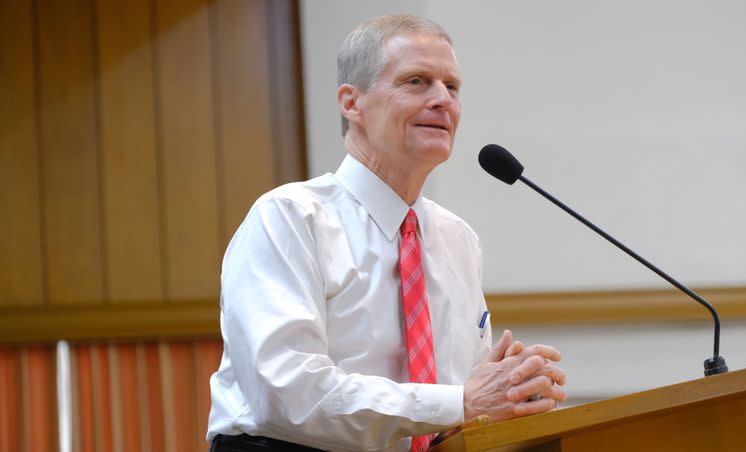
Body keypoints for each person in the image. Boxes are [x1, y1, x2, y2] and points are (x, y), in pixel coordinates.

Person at [206, 15, 567, 452]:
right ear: (351, 103)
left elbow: (458, 409)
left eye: (452, 87)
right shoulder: (289, 218)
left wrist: (508, 393)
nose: (442, 100)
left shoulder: (457, 239)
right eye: (417, 81)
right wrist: (461, 401)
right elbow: (288, 395)